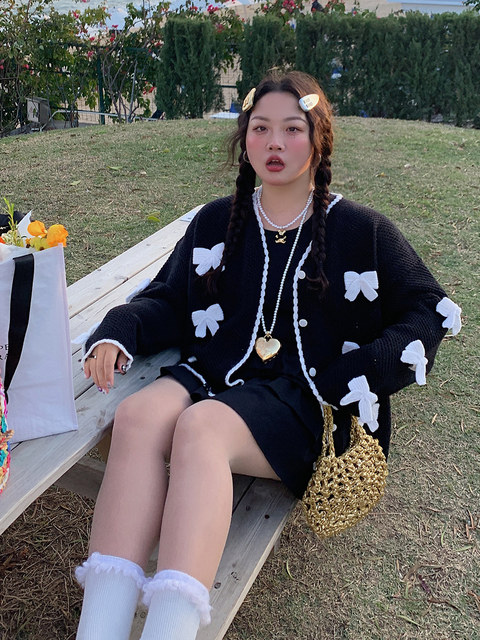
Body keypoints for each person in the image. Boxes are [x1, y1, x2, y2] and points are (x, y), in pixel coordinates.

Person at [75, 71, 461, 640]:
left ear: (319, 139)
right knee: (137, 417)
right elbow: (169, 300)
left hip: (307, 402)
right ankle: (98, 629)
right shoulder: (217, 220)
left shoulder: (363, 230)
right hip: (214, 375)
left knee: (201, 429)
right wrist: (118, 330)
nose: (274, 143)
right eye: (260, 128)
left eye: (292, 129)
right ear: (244, 139)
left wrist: (355, 374)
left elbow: (429, 310)